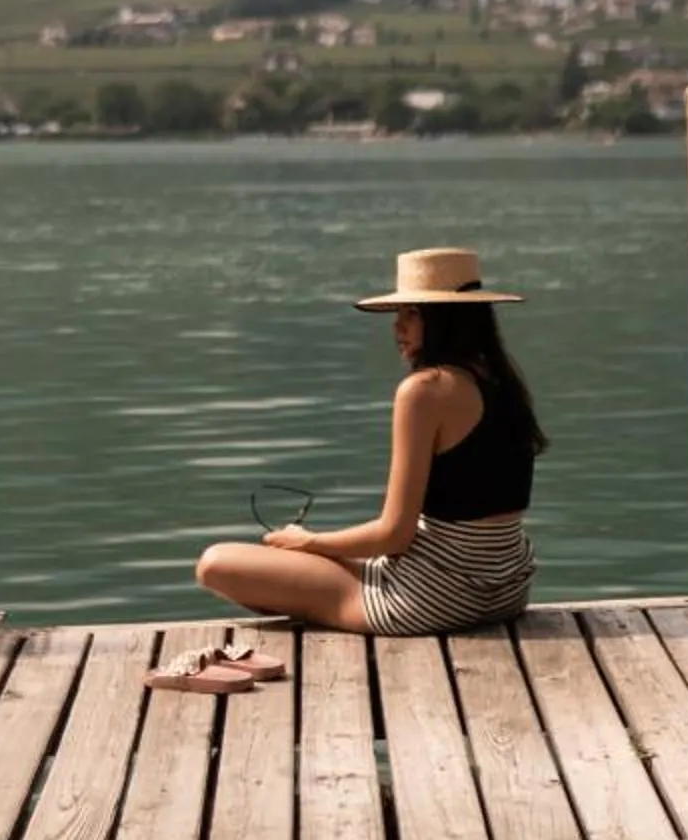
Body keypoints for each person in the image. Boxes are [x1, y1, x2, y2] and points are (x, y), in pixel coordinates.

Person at [193, 246, 544, 635]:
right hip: (507, 591)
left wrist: (308, 541)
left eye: (411, 314)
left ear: (445, 319)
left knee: (215, 564)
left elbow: (394, 535)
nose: (397, 328)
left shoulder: (426, 391)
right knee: (320, 565)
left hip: (431, 599)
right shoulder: (502, 382)